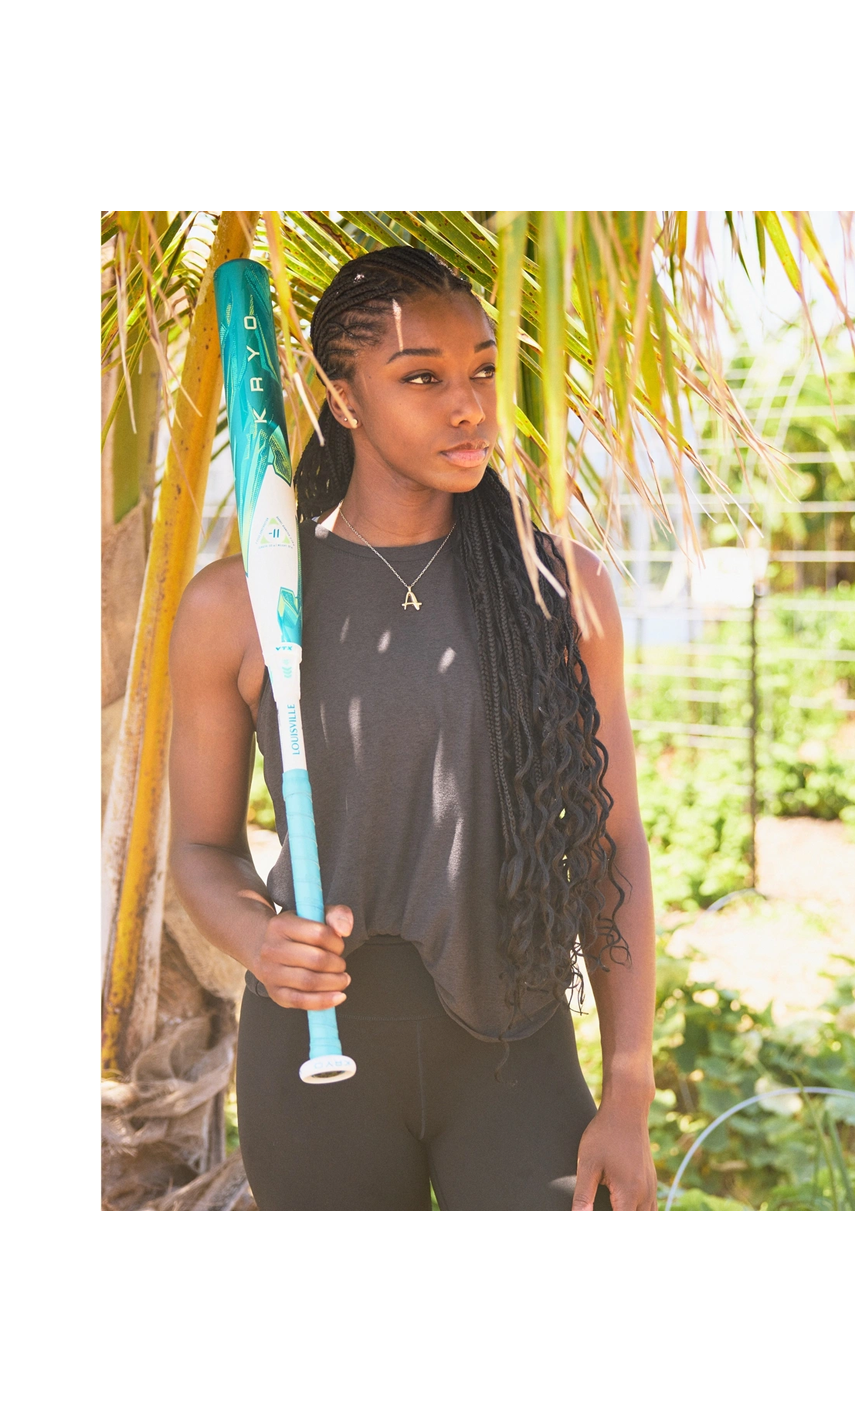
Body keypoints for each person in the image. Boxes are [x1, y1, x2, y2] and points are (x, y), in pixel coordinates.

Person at [169, 245, 657, 1210]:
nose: (468, 405)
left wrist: (630, 1086)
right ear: (344, 398)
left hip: (516, 1053)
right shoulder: (237, 607)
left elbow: (614, 842)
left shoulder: (561, 589)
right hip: (316, 1054)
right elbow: (200, 848)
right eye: (422, 378)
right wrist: (259, 938)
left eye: (482, 370)